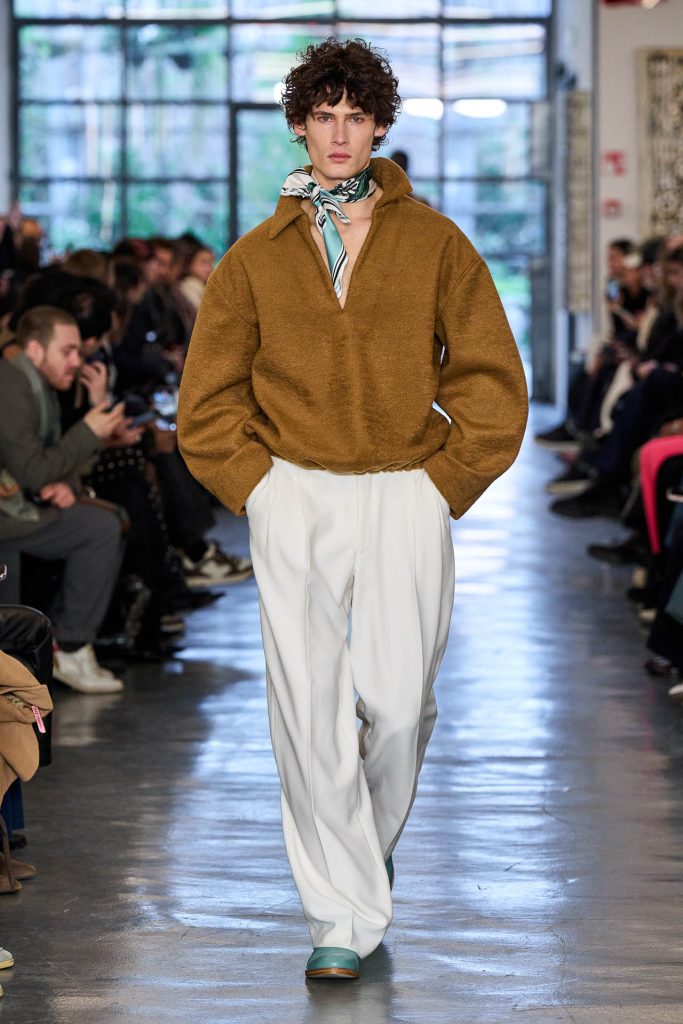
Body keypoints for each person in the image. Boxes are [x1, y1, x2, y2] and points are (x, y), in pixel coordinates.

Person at [178, 37, 527, 981]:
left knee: (400, 706)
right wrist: (258, 489)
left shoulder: (435, 243)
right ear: (299, 126)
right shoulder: (253, 259)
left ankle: (362, 853)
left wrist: (446, 480)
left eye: (355, 116)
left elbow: (490, 378)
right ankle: (337, 914)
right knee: (309, 710)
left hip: (406, 486)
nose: (339, 134)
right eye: (323, 116)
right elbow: (206, 401)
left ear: (378, 127)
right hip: (293, 489)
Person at [0, 306, 127, 693]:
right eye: (68, 351)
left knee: (108, 518)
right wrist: (89, 430)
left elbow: (50, 461)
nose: (77, 361)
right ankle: (69, 646)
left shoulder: (35, 382)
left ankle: (67, 641)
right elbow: (33, 469)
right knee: (100, 527)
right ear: (35, 350)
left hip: (21, 502)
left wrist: (63, 482)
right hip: (10, 511)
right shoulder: (12, 385)